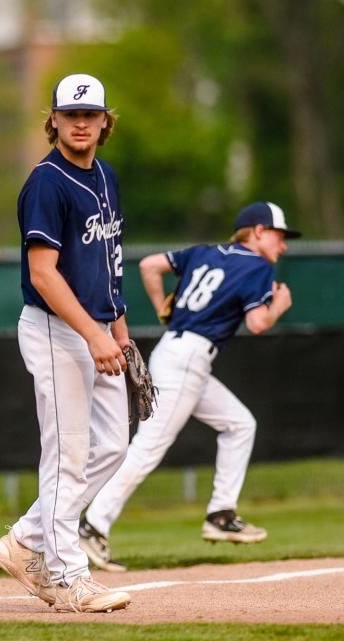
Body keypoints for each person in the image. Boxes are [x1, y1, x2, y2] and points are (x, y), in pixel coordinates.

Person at [80, 201, 298, 570]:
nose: (284, 245)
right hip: (188, 360)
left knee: (240, 424)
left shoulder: (205, 252)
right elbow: (259, 323)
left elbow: (150, 266)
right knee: (147, 448)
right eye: (280, 235)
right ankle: (92, 526)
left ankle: (221, 513)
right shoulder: (259, 266)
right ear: (259, 232)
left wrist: (160, 307)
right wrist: (279, 305)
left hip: (178, 352)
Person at [0, 73, 133, 613]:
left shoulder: (105, 177)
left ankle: (27, 537)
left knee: (113, 446)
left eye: (89, 114)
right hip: (56, 330)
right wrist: (94, 333)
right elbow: (45, 275)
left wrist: (118, 328)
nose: (79, 123)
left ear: (104, 121)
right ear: (52, 120)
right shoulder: (46, 183)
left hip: (97, 330)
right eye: (69, 115)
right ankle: (68, 574)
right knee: (67, 453)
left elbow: (108, 261)